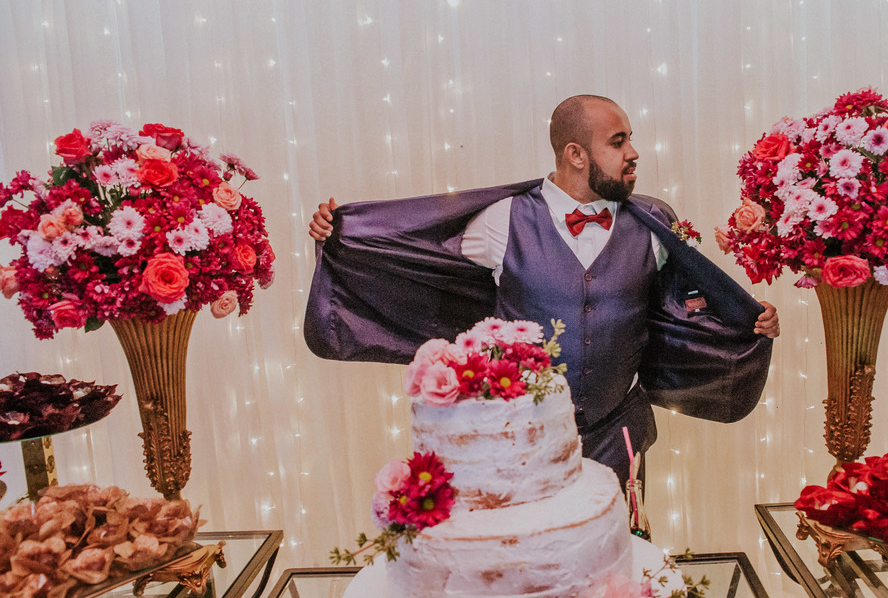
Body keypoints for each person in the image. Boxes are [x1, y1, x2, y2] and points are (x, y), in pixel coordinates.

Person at [305, 95, 779, 486]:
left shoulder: (655, 224)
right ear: (576, 154)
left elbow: (684, 307)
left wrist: (747, 321)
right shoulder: (500, 221)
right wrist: (342, 238)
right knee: (530, 563)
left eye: (630, 139)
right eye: (619, 142)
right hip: (516, 436)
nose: (634, 152)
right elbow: (413, 261)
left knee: (612, 564)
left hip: (618, 432)